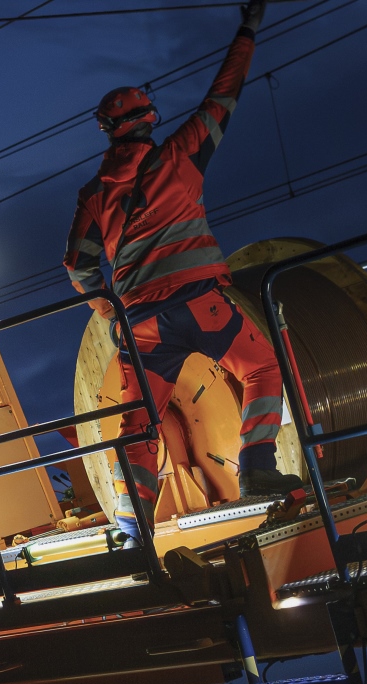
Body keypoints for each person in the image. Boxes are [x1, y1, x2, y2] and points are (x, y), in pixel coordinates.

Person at [62, 0, 301, 536]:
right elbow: (225, 93)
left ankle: (133, 523)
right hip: (199, 302)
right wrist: (248, 28)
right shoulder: (181, 155)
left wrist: (113, 313)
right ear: (149, 120)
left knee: (139, 422)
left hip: (141, 327)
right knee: (262, 367)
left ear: (106, 130)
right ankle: (260, 470)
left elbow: (77, 266)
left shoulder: (93, 194)